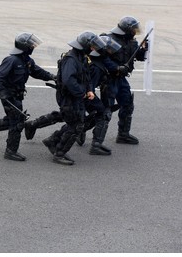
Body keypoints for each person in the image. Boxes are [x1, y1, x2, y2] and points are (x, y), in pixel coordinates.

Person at [0, 33, 56, 161]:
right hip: (9, 96)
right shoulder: (11, 60)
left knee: (12, 120)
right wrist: (3, 94)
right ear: (24, 46)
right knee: (17, 122)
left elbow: (37, 71)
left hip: (18, 95)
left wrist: (52, 76)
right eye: (31, 45)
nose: (33, 47)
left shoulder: (27, 60)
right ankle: (10, 151)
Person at [42, 31, 106, 165]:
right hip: (68, 97)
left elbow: (87, 76)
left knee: (75, 123)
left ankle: (52, 140)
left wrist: (89, 90)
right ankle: (59, 154)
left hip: (76, 96)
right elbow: (68, 80)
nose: (94, 49)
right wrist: (82, 92)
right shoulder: (71, 59)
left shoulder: (82, 57)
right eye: (92, 46)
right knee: (76, 126)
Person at [106, 16, 148, 144]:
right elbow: (103, 59)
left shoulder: (131, 42)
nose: (135, 31)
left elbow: (139, 56)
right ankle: (93, 139)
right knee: (105, 110)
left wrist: (145, 49)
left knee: (127, 104)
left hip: (121, 79)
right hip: (109, 79)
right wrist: (116, 67)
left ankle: (123, 135)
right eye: (134, 29)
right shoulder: (110, 40)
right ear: (127, 29)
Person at [81, 35, 122, 155]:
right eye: (108, 49)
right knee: (103, 114)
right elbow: (89, 87)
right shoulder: (96, 67)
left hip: (82, 94)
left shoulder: (97, 61)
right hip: (84, 95)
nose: (110, 51)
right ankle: (95, 146)